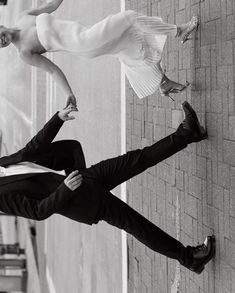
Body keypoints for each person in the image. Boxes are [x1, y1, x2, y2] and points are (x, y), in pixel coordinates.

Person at [0, 101, 215, 274]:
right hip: (81, 200)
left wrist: (58, 119)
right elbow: (38, 212)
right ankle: (190, 258)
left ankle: (188, 133)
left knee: (136, 159)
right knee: (138, 225)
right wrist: (65, 188)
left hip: (84, 178)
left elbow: (32, 149)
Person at [0, 0, 199, 106]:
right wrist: (69, 92)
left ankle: (163, 83)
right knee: (128, 18)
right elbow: (52, 71)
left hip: (86, 35)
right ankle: (179, 30)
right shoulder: (24, 53)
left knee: (130, 43)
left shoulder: (23, 17)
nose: (1, 41)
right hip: (85, 43)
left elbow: (52, 5)